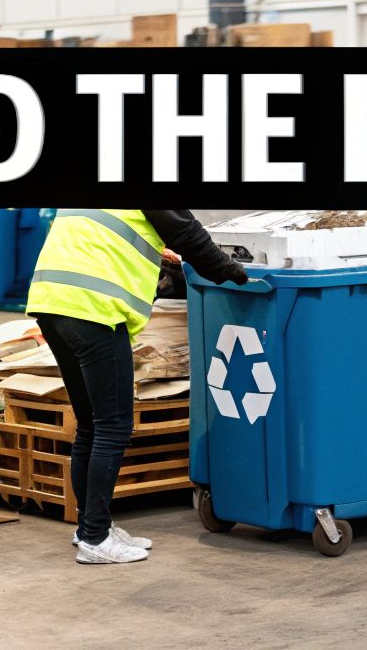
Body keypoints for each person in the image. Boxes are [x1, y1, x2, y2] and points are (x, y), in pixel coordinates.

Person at [26, 209, 246, 564]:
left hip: (53, 302)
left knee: (91, 424)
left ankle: (89, 528)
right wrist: (235, 273)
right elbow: (187, 232)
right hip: (94, 308)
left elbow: (109, 234)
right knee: (113, 425)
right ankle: (95, 538)